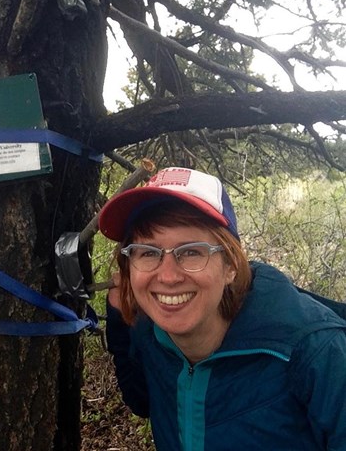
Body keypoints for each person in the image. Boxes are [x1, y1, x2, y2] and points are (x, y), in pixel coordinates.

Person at [98, 167, 346, 450]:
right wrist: (120, 319)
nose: (168, 276)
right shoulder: (150, 332)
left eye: (191, 251)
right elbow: (141, 399)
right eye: (148, 253)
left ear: (230, 266)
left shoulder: (317, 353)